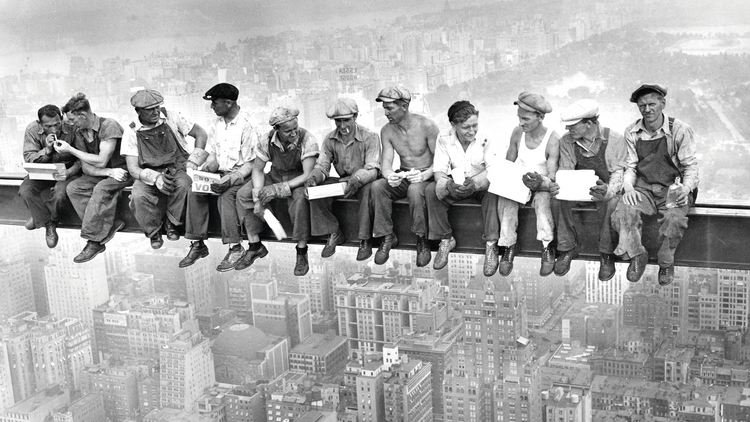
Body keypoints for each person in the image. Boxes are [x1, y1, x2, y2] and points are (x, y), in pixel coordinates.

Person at [611, 84, 699, 286]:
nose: (647, 110)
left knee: (674, 219)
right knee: (623, 211)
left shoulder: (679, 130)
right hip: (645, 189)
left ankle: (666, 261)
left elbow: (690, 166)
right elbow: (630, 166)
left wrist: (685, 189)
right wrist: (629, 188)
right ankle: (637, 254)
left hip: (674, 189)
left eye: (651, 104)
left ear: (663, 104)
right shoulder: (632, 132)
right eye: (642, 106)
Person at [180, 83, 258, 271]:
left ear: (229, 102)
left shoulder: (247, 125)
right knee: (195, 191)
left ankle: (235, 247)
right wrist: (207, 168)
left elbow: (251, 163)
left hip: (241, 176)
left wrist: (230, 180)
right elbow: (214, 154)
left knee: (226, 196)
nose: (212, 107)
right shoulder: (217, 124)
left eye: (215, 103)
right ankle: (197, 244)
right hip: (221, 173)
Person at [235, 107, 319, 276]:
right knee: (243, 194)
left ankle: (301, 250)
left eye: (295, 128)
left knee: (301, 201)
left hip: (297, 180)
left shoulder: (307, 140)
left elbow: (307, 174)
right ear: (277, 130)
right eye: (288, 131)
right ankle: (255, 244)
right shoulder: (266, 140)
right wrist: (258, 197)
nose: (294, 133)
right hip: (275, 175)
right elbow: (258, 170)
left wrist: (277, 189)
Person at [549, 99, 627, 280]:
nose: (569, 130)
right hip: (578, 189)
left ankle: (606, 254)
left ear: (589, 123)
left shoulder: (614, 139)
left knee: (612, 202)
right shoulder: (567, 141)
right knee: (557, 198)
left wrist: (608, 191)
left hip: (605, 189)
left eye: (573, 126)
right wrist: (559, 184)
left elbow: (617, 173)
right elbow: (566, 169)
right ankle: (567, 247)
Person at [122, 89, 208, 249]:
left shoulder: (172, 117)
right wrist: (155, 178)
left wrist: (194, 161)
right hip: (148, 172)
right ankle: (153, 231)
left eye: (157, 107)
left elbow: (201, 133)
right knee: (138, 195)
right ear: (138, 111)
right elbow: (133, 169)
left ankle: (172, 222)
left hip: (177, 167)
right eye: (150, 109)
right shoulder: (131, 131)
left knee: (183, 186)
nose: (156, 112)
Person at [55, 93, 132, 263]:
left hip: (124, 171)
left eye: (72, 119)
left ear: (82, 115)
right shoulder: (80, 132)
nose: (70, 123)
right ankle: (110, 224)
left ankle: (94, 241)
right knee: (74, 188)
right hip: (107, 173)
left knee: (101, 189)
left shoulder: (109, 126)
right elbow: (86, 165)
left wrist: (71, 150)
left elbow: (101, 160)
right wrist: (107, 173)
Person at [491, 92, 560, 277]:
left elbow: (552, 177)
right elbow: (509, 163)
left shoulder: (552, 139)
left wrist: (540, 183)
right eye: (519, 118)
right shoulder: (517, 132)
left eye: (526, 119)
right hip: (518, 180)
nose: (521, 123)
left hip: (540, 183)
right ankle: (509, 245)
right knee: (506, 198)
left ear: (540, 117)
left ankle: (547, 246)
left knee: (543, 201)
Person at [370, 86, 439, 267]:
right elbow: (386, 162)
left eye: (390, 108)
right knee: (378, 187)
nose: (386, 112)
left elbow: (441, 162)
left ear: (404, 106)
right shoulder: (387, 131)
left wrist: (424, 175)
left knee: (415, 190)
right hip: (405, 173)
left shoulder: (427, 126)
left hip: (427, 175)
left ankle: (422, 239)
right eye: (384, 108)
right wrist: (390, 175)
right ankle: (387, 236)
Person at [425, 101, 498, 270]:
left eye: (475, 125)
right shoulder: (444, 138)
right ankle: (446, 238)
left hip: (481, 183)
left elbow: (492, 169)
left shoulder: (486, 137)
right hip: (457, 183)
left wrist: (474, 183)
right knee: (431, 191)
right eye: (466, 127)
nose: (472, 131)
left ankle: (491, 244)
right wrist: (447, 184)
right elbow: (439, 170)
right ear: (453, 125)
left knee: (494, 193)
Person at [305, 97, 381, 260]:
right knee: (316, 192)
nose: (343, 126)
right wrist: (313, 179)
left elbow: (373, 168)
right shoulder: (330, 139)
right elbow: (322, 166)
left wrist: (357, 179)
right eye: (338, 121)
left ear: (355, 117)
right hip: (344, 182)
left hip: (364, 180)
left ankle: (364, 239)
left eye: (346, 120)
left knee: (368, 191)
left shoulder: (370, 136)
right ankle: (333, 231)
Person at [20, 104, 81, 248]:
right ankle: (47, 222)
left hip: (67, 170)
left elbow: (81, 157)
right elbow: (29, 157)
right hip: (42, 170)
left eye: (57, 124)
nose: (54, 129)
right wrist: (46, 150)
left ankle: (41, 219)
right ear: (40, 123)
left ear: (61, 119)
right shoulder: (32, 130)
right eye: (48, 126)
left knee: (60, 194)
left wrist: (69, 172)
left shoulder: (73, 127)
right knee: (26, 190)